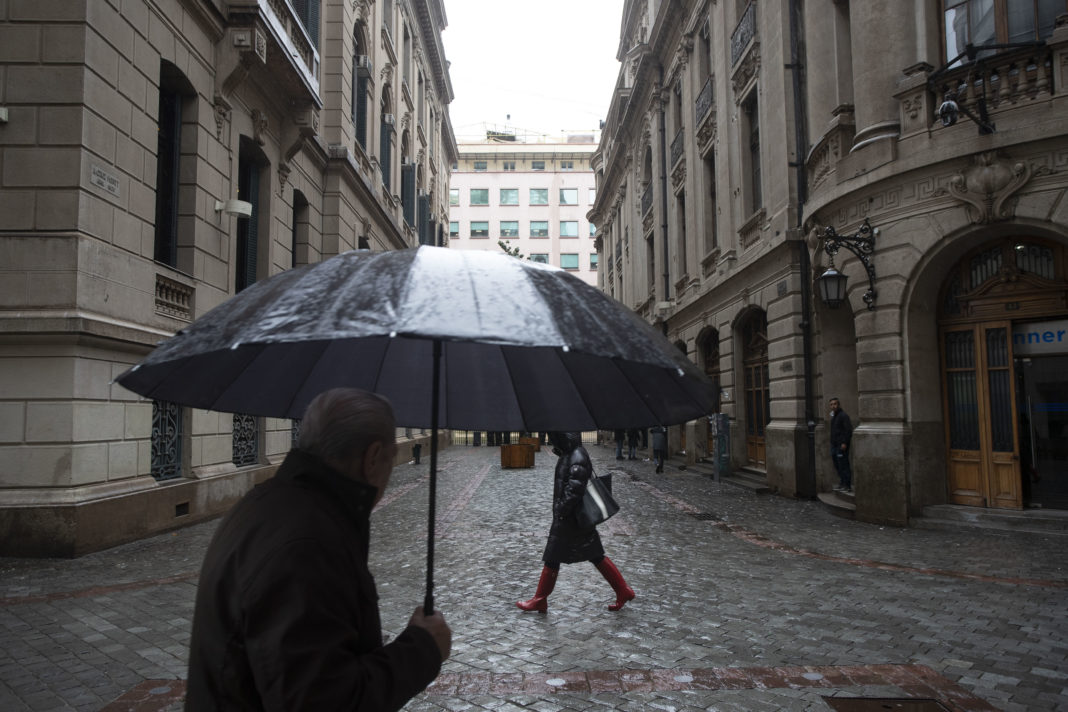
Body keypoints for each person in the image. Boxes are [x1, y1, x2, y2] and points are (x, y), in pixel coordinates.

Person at [185, 388, 451, 711]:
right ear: (372, 457)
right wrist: (422, 648)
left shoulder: (265, 502)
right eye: (391, 458)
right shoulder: (307, 546)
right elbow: (324, 700)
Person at [517, 431, 635, 613]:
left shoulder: (576, 455)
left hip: (571, 517)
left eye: (554, 436)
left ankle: (540, 599)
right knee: (594, 554)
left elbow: (575, 488)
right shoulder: (569, 454)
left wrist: (561, 509)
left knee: (553, 556)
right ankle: (622, 590)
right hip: (574, 517)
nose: (550, 439)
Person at [829, 397, 854, 493]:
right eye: (831, 404)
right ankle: (842, 482)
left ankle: (847, 485)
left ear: (838, 405)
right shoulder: (833, 416)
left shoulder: (843, 416)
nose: (833, 406)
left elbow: (848, 430)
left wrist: (844, 442)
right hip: (834, 445)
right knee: (837, 464)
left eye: (835, 404)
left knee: (843, 464)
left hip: (841, 445)